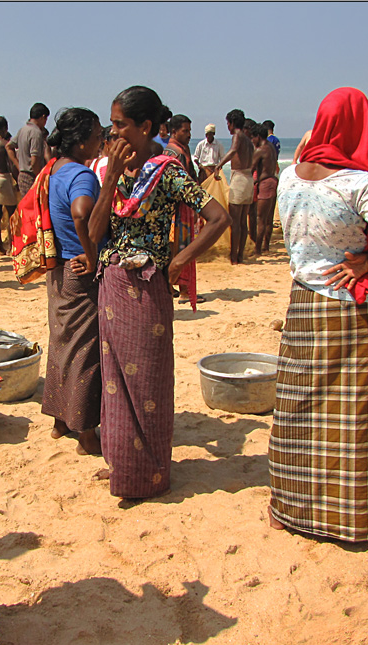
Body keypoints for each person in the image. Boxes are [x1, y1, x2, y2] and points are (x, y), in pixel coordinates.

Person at [267, 87, 368, 543]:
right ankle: (346, 519)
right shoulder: (359, 183)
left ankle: (286, 508)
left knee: (298, 409)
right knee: (347, 416)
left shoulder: (290, 176)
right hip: (351, 312)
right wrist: (366, 264)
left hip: (304, 303)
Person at [89, 86, 229, 500]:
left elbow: (218, 217)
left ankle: (147, 474)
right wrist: (111, 175)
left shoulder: (166, 172)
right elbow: (96, 235)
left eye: (120, 125)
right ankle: (120, 464)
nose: (113, 134)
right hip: (112, 285)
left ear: (145, 126)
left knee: (146, 385)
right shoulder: (111, 172)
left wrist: (180, 261)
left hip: (147, 288)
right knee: (114, 381)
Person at [40, 107, 106, 457]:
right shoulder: (82, 174)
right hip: (80, 271)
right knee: (85, 349)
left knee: (62, 341)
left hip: (59, 270)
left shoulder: (55, 170)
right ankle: (85, 431)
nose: (101, 140)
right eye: (97, 134)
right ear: (81, 141)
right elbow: (81, 213)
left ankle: (60, 420)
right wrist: (92, 254)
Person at [163, 114, 205, 307]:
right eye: (185, 131)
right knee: (182, 248)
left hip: (184, 208)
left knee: (180, 248)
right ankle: (183, 291)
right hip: (179, 209)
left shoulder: (181, 150)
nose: (188, 135)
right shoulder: (174, 152)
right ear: (174, 132)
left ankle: (175, 288)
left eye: (189, 131)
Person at [216, 109, 255, 264]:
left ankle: (234, 257)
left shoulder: (237, 136)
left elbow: (232, 151)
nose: (228, 127)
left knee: (235, 221)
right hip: (248, 178)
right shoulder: (248, 140)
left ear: (232, 123)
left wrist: (219, 165)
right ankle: (240, 255)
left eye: (228, 123)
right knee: (243, 222)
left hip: (239, 178)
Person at [0, 116, 18, 254]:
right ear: (4, 128)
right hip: (4, 177)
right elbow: (11, 165)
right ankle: (11, 245)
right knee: (12, 213)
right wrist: (16, 179)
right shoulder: (4, 144)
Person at [252, 123, 279, 256]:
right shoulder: (272, 148)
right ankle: (266, 246)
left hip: (265, 183)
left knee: (260, 218)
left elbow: (250, 168)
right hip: (273, 180)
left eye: (253, 138)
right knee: (269, 218)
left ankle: (257, 249)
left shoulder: (260, 150)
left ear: (258, 136)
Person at [13, 102, 49, 198]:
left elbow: (9, 146)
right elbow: (35, 160)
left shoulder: (23, 130)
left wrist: (18, 165)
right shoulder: (36, 133)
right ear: (42, 117)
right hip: (31, 176)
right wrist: (39, 177)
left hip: (22, 175)